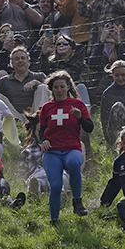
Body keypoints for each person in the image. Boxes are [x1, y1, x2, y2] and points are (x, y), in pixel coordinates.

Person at [39, 71, 93, 225]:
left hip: (72, 148)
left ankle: (77, 201)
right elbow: (42, 130)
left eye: (62, 86)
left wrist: (80, 118)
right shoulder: (46, 108)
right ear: (52, 89)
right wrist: (44, 140)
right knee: (55, 185)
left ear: (68, 87)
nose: (59, 90)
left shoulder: (77, 104)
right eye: (56, 87)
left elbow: (89, 128)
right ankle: (54, 219)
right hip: (52, 152)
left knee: (73, 163)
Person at [0, 47, 49, 119]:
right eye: (17, 59)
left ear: (28, 62)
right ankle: (16, 122)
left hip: (34, 113)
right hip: (14, 115)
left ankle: (37, 119)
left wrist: (36, 83)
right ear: (12, 63)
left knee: (43, 87)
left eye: (23, 58)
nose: (20, 61)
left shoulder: (39, 76)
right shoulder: (4, 81)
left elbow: (50, 93)